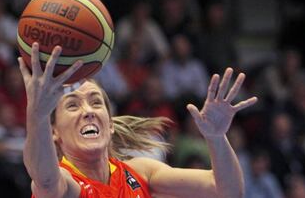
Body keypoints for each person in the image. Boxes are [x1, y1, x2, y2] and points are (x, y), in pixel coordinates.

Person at [18, 42, 257, 198]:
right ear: (54, 132)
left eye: (96, 101)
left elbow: (227, 190)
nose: (88, 111)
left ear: (110, 124)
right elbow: (45, 180)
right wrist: (36, 116)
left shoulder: (141, 172)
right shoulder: (65, 183)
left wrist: (216, 138)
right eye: (72, 105)